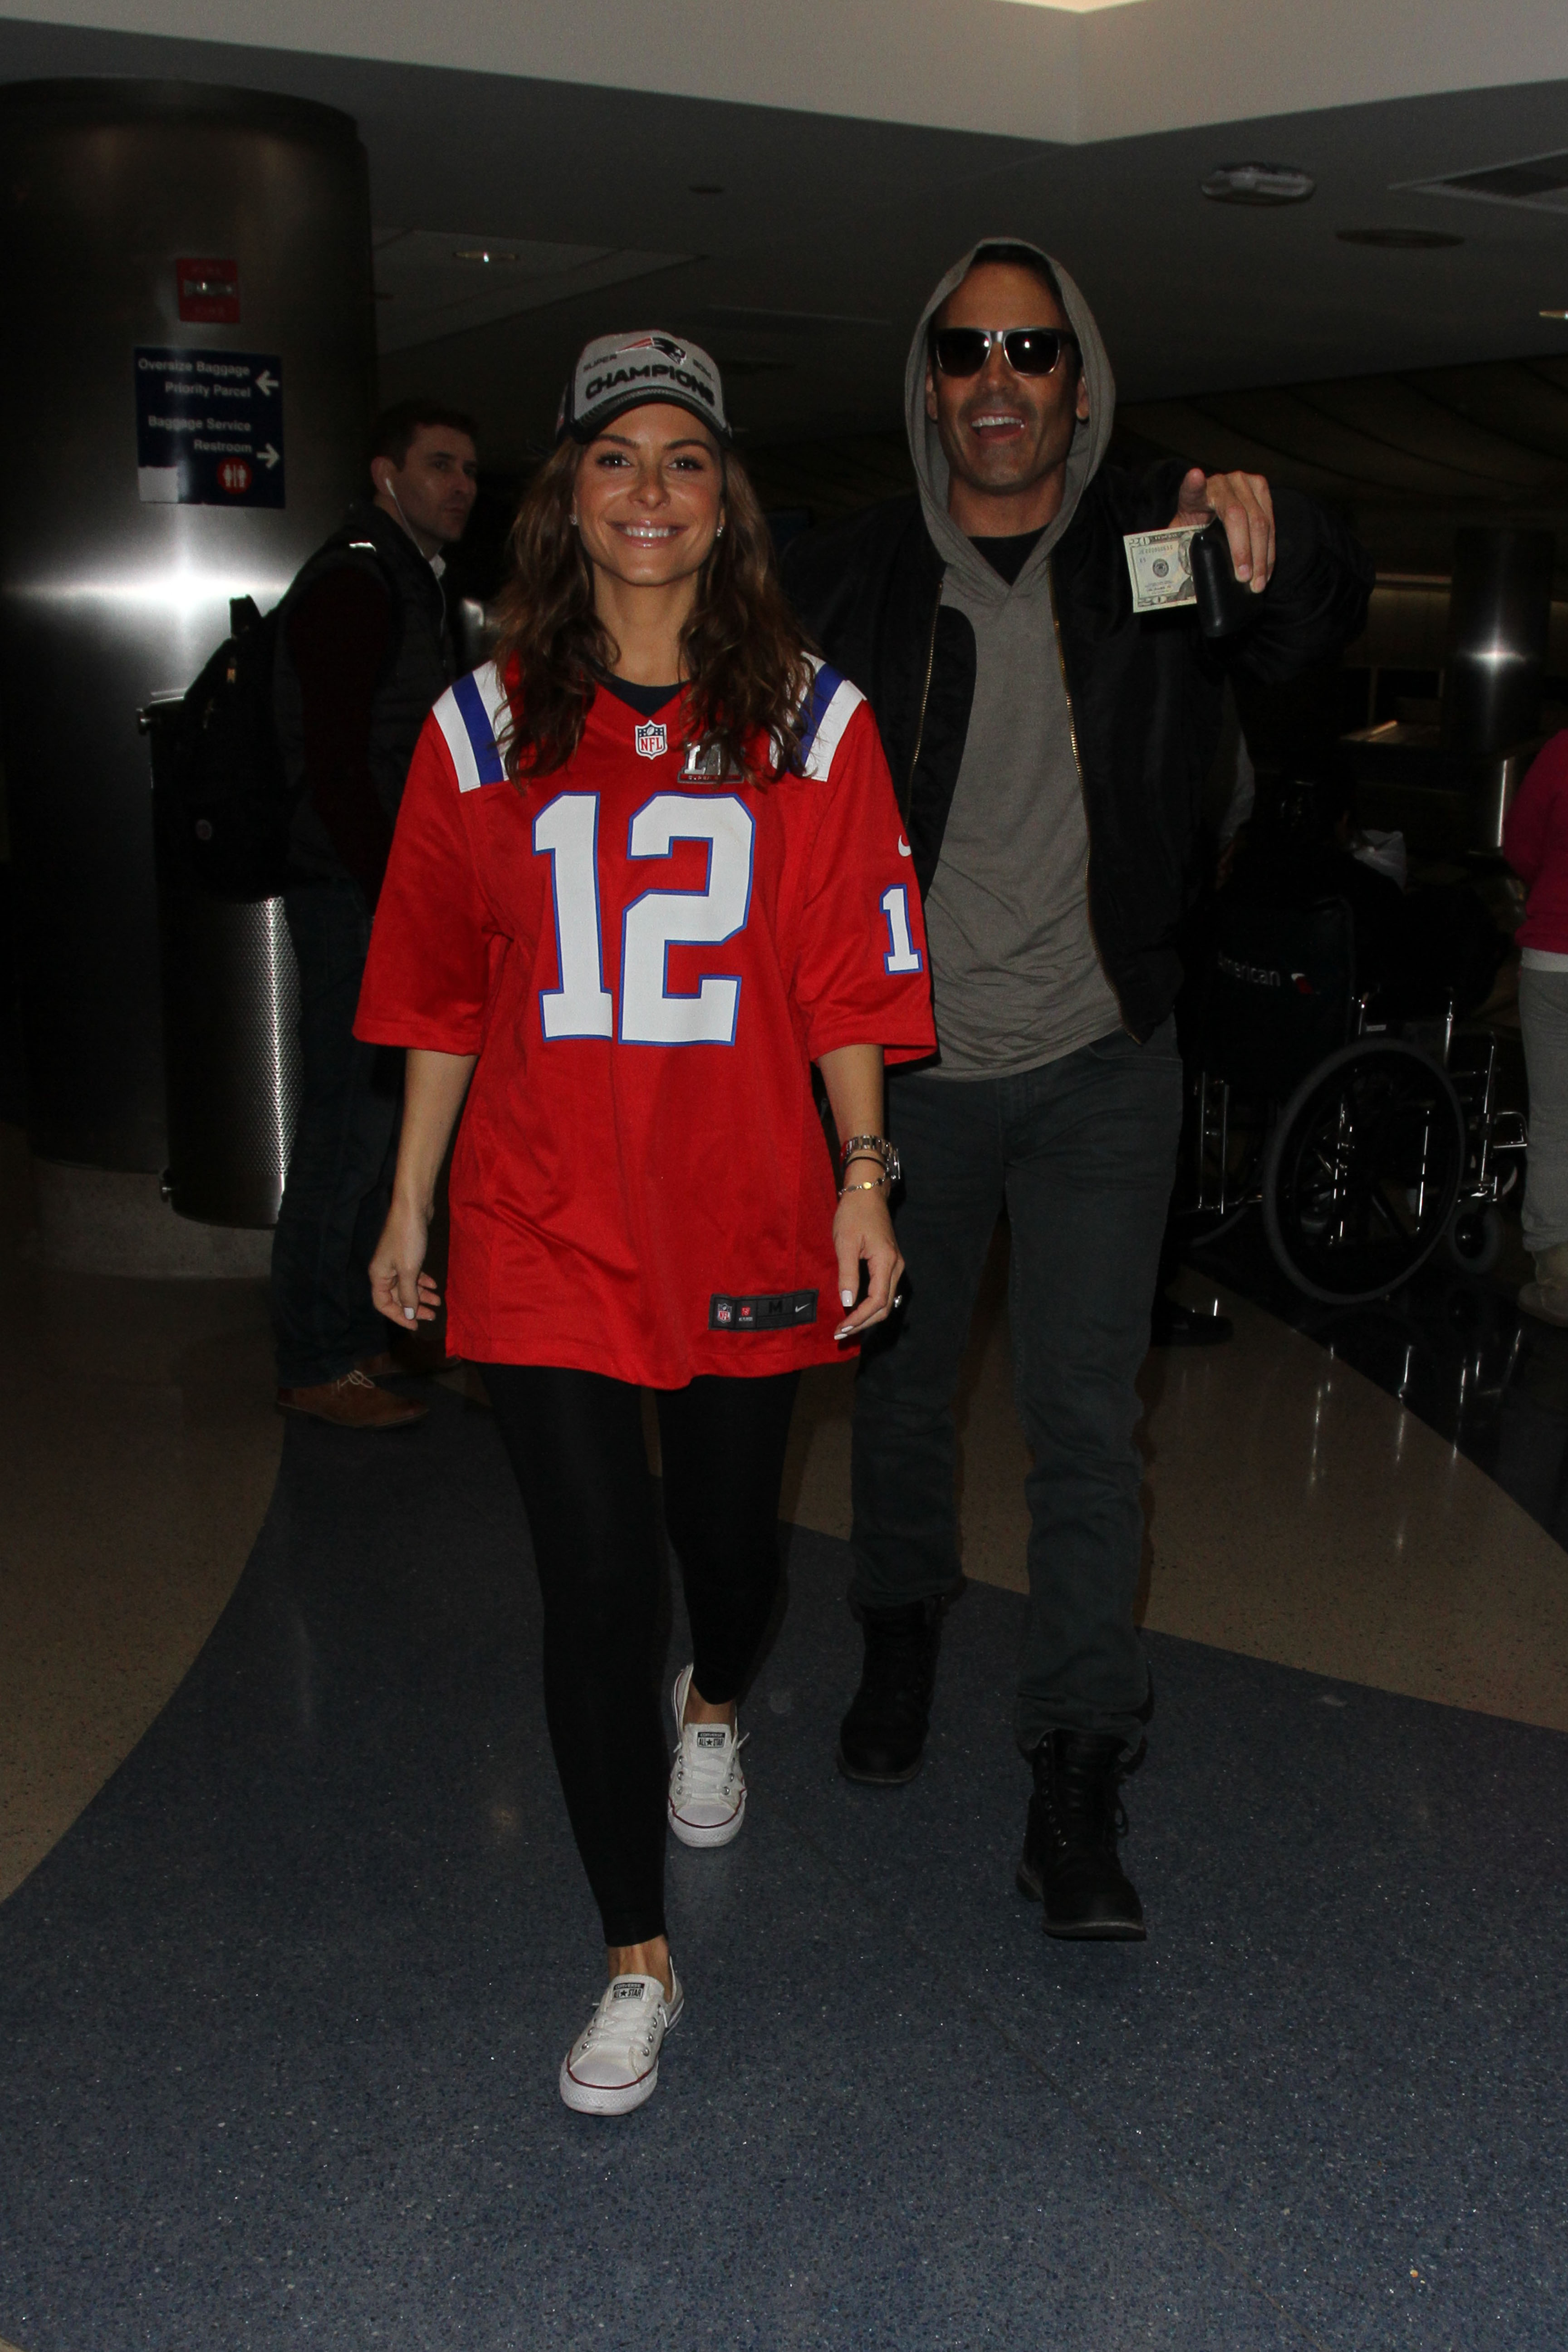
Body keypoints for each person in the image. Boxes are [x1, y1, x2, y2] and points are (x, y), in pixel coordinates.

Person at [355, 331, 936, 2113]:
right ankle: (634, 1956)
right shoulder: (481, 724)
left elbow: (847, 977)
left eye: (685, 458)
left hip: (744, 1213)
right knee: (595, 1584)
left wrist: (862, 1174)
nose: (651, 491)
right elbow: (444, 987)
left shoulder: (814, 720)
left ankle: (717, 1703)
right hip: (541, 1218)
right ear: (569, 492)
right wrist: (410, 1199)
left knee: (729, 1557)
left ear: (726, 497)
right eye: (616, 457)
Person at [784, 239, 1373, 1940]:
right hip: (908, 1077)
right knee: (899, 1398)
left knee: (1084, 1423)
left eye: (1031, 351)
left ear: (1080, 381)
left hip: (1106, 1062)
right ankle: (900, 1626)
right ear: (928, 383)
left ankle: (1076, 1766)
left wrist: (1281, 526)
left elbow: (1307, 624)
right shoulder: (854, 577)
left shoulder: (1150, 554)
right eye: (966, 350)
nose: (999, 380)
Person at [270, 399, 479, 1430]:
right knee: (349, 1131)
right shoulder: (358, 581)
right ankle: (318, 1360)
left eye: (469, 472)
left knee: (380, 1123)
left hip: (377, 893)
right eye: (439, 466)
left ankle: (360, 1335)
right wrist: (398, 891)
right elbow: (340, 764)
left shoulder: (403, 580)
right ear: (385, 473)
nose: (460, 487)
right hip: (356, 899)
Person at [1504, 731, 1568, 1323]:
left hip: (1553, 957)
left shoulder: (1562, 751)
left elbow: (1521, 847)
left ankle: (1560, 1279)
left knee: (1554, 1119)